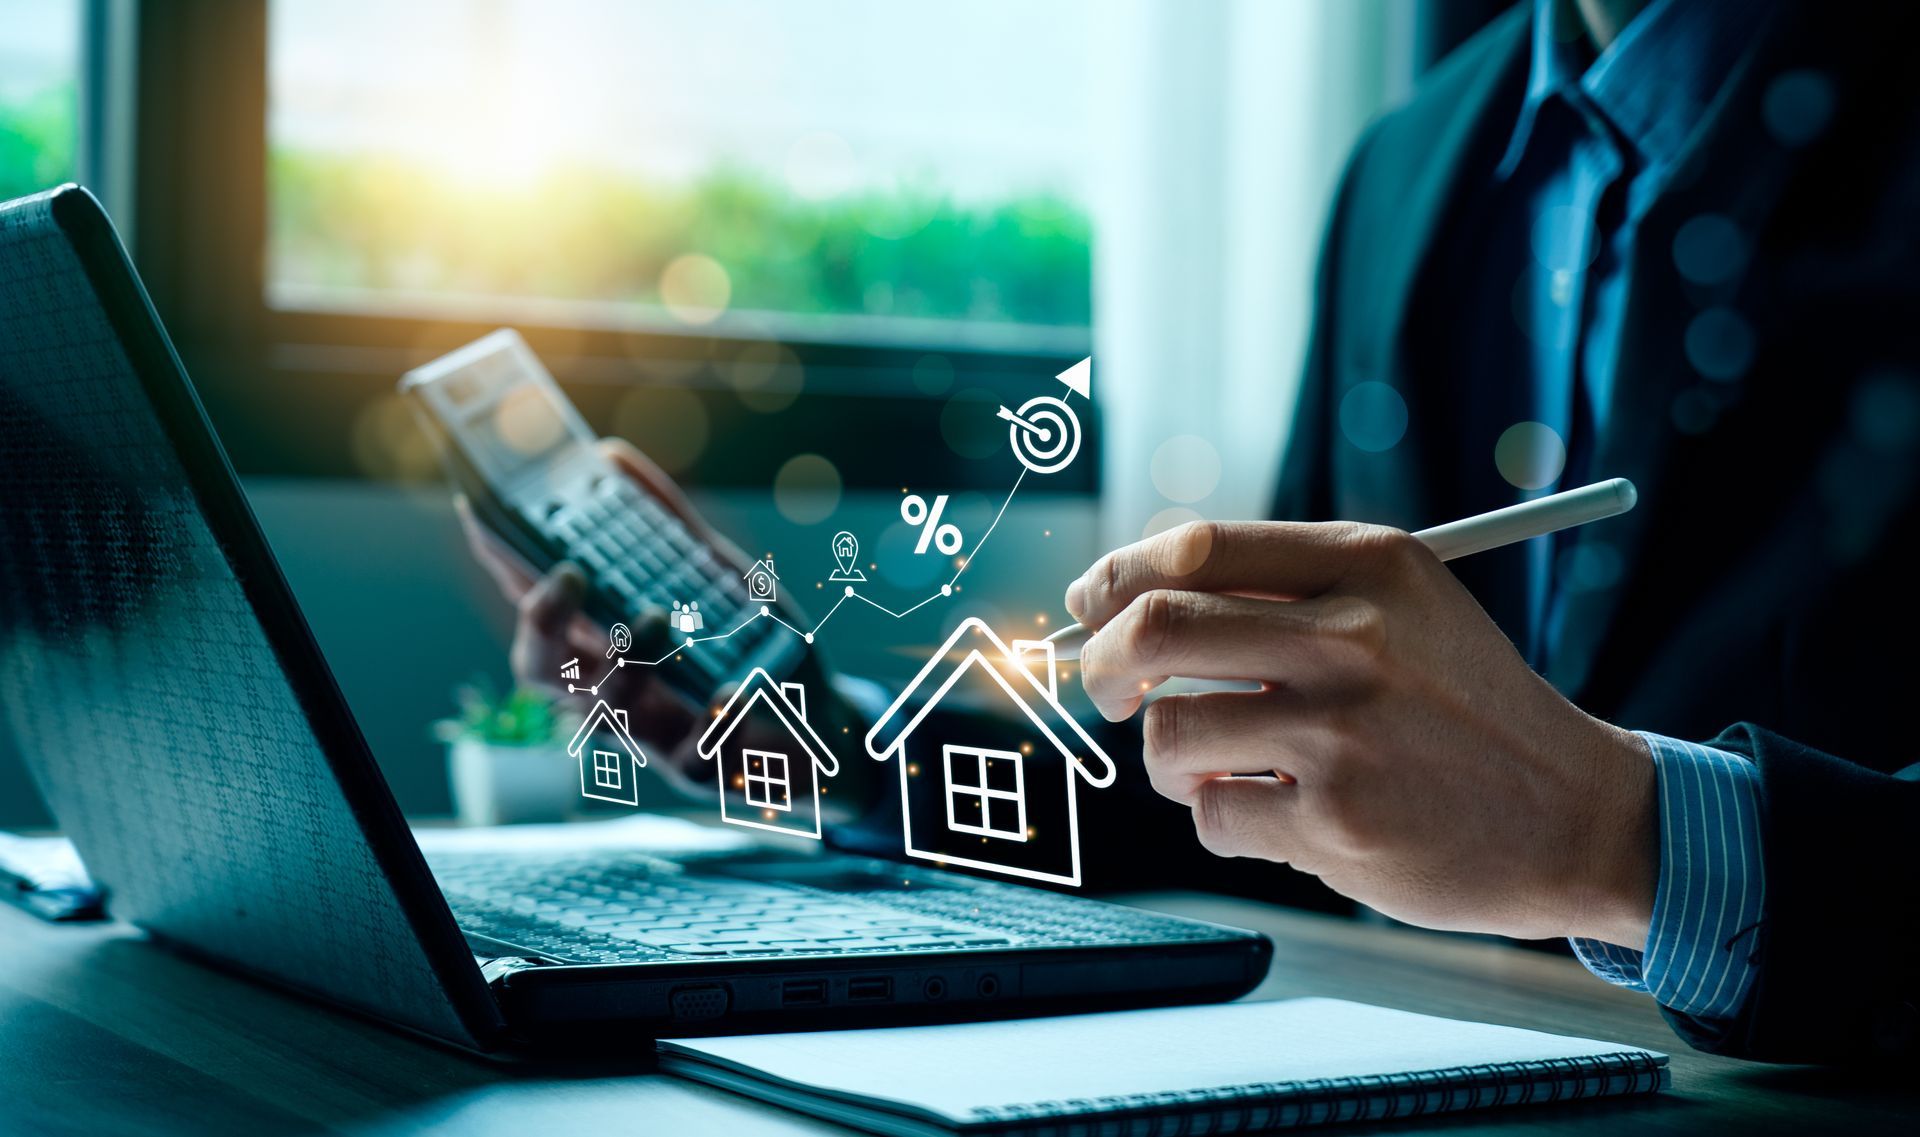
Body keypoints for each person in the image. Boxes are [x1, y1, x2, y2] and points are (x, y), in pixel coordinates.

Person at [468, 0, 1920, 1065]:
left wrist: (1625, 837)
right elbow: (1244, 756)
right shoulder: (1409, 165)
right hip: (1439, 1067)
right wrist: (828, 738)